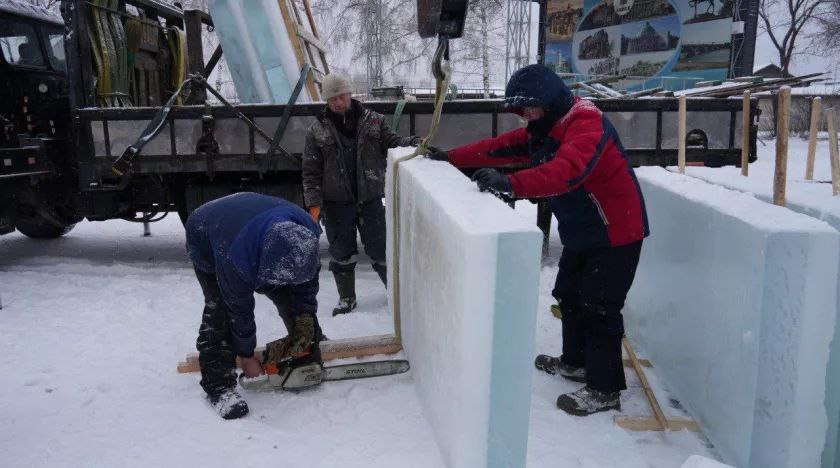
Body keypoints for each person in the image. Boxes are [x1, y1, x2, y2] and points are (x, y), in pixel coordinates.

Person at [428, 64, 649, 416]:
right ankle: (576, 363)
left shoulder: (585, 122)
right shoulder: (543, 129)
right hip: (583, 232)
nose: (527, 116)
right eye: (522, 111)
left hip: (616, 232)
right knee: (568, 295)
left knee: (600, 306)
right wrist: (450, 158)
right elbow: (499, 148)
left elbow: (570, 170)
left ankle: (605, 388)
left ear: (550, 99)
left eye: (531, 107)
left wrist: (511, 185)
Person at [185, 192, 323, 420]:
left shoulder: (307, 231)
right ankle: (219, 386)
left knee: (292, 295)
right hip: (209, 231)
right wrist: (246, 355)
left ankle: (305, 346)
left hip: (252, 221)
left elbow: (307, 282)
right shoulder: (235, 259)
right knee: (220, 310)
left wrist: (305, 318)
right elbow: (238, 311)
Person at [303, 73, 423, 316]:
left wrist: (414, 143)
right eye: (332, 98)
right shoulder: (316, 130)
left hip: (370, 200)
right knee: (341, 253)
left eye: (342, 95)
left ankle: (395, 294)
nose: (338, 102)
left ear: (350, 94)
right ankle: (346, 298)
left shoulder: (374, 121)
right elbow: (310, 171)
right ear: (327, 100)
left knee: (381, 250)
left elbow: (393, 142)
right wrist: (314, 204)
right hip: (336, 204)